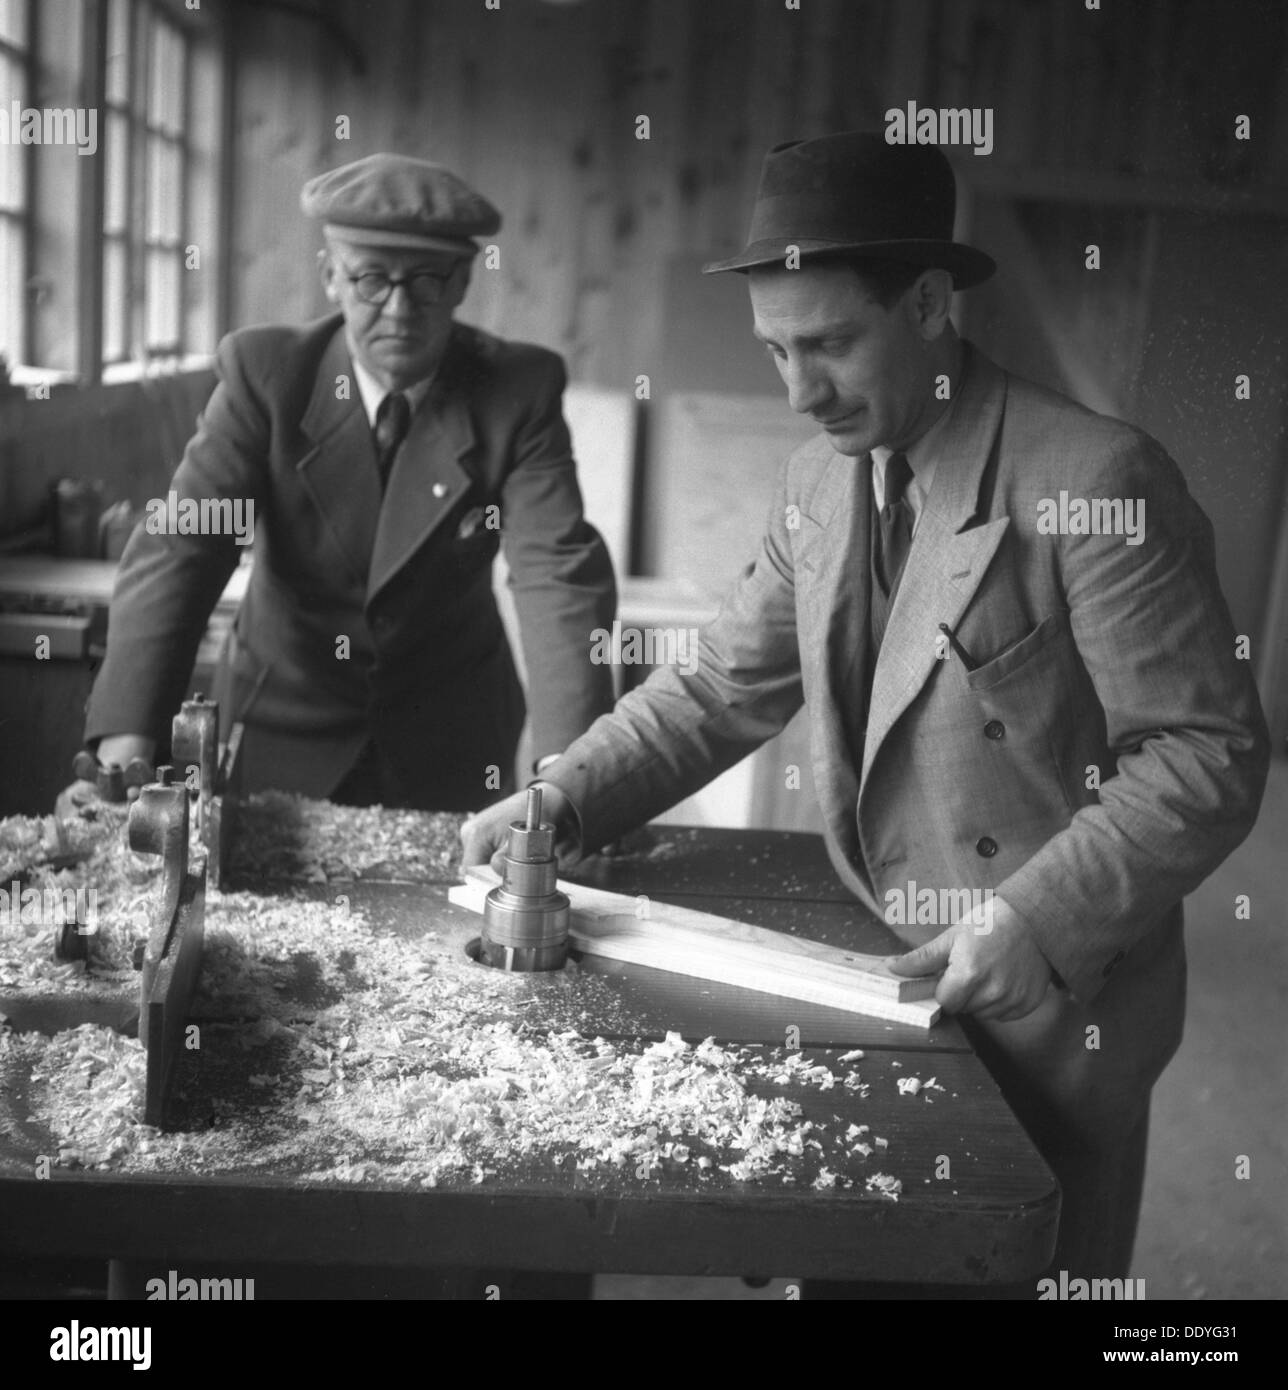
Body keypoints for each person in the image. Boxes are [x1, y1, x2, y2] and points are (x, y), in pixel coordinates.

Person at [462, 132, 1270, 1293]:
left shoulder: (1098, 480)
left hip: (1051, 994)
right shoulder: (813, 482)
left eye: (831, 343)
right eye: (777, 350)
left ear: (932, 304)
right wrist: (563, 790)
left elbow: (1204, 755)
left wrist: (1029, 919)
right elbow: (722, 684)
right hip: (874, 962)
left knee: (1032, 1273)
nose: (798, 391)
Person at [75, 153, 616, 812]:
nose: (399, 309)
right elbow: (185, 546)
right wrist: (126, 745)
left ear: (464, 283)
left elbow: (556, 571)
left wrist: (573, 777)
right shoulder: (266, 375)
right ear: (329, 276)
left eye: (427, 281)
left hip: (450, 737)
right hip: (282, 722)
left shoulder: (518, 389)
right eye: (370, 280)